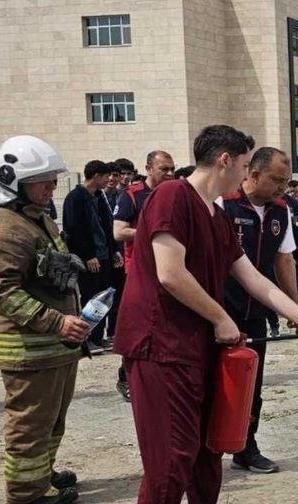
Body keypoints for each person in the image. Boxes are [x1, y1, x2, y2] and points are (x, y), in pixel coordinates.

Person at [113, 125, 298, 504]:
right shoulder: (172, 196)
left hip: (196, 349)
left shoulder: (215, 215)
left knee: (207, 453)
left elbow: (253, 278)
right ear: (225, 160)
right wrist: (221, 317)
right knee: (171, 461)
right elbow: (170, 273)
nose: (247, 174)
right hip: (161, 347)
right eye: (246, 165)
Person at [0, 135, 90, 504]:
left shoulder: (36, 218)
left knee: (51, 422)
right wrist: (56, 322)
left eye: (53, 177)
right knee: (30, 426)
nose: (51, 185)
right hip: (31, 350)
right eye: (43, 179)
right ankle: (26, 494)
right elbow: (0, 291)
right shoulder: (4, 225)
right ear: (14, 180)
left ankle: (42, 474)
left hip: (54, 348)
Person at [219, 146, 298, 474]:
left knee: (252, 383)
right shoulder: (223, 204)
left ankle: (245, 446)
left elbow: (284, 259)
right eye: (277, 180)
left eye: (286, 181)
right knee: (213, 380)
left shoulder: (281, 211)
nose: (282, 187)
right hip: (220, 311)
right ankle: (205, 447)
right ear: (252, 174)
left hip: (256, 313)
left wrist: (293, 308)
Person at [112, 150, 175, 401]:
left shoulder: (175, 194)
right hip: (139, 271)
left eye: (172, 169)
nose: (169, 174)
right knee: (140, 327)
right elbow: (119, 232)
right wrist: (153, 232)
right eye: (164, 169)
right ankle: (126, 376)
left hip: (170, 268)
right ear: (148, 169)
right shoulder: (132, 196)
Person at [62, 160, 123, 354]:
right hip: (88, 259)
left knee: (103, 298)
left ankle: (98, 337)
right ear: (96, 176)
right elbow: (74, 229)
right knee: (89, 298)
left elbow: (107, 225)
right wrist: (88, 255)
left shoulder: (99, 197)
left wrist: (113, 250)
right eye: (106, 176)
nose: (109, 180)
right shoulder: (76, 198)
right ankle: (86, 339)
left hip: (104, 256)